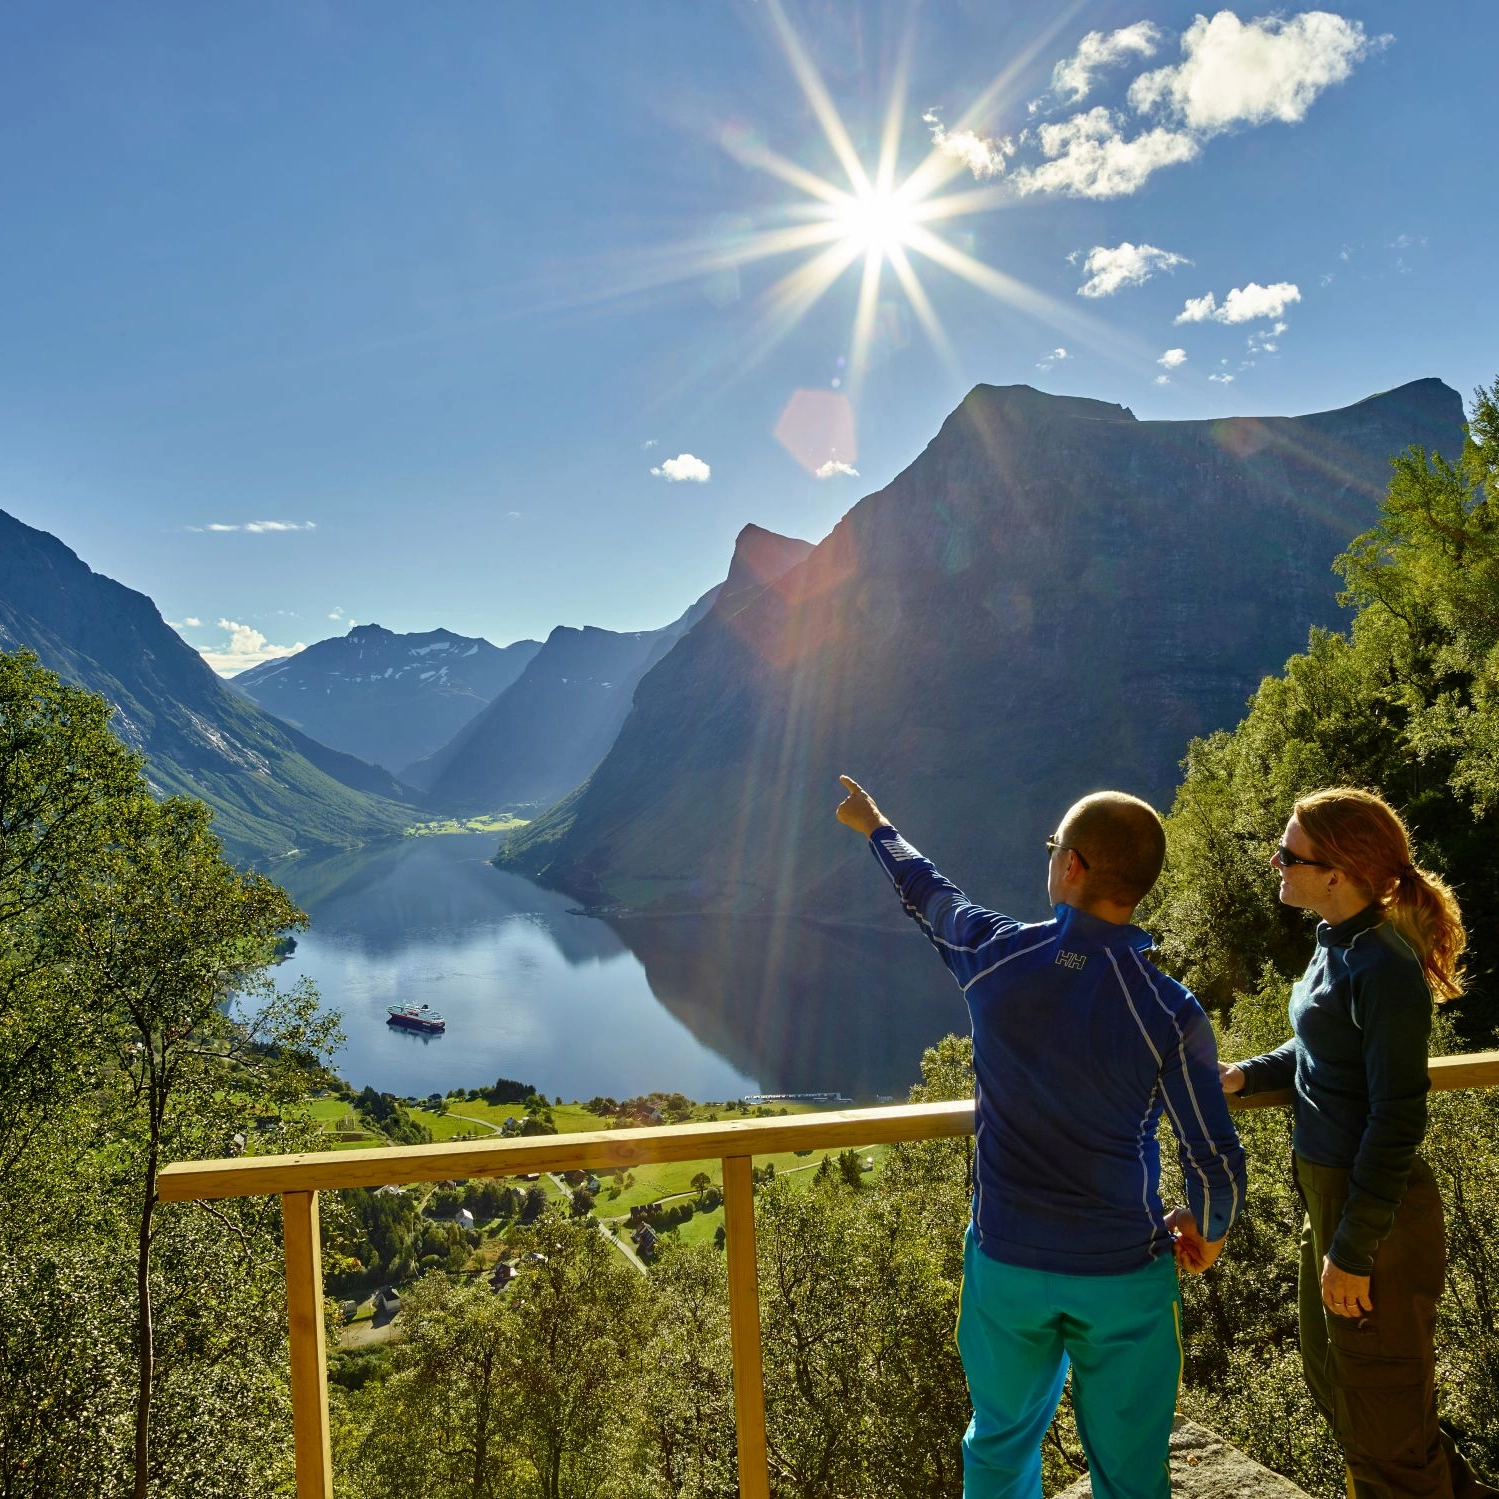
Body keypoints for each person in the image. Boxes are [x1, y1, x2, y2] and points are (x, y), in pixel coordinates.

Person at [836, 775, 1245, 1499]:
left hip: (1007, 1266)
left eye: (1054, 845)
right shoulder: (1169, 1010)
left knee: (998, 1445)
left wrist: (876, 825)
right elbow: (1211, 1155)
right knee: (1130, 1467)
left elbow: (929, 894)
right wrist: (1206, 1231)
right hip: (1122, 1271)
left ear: (1073, 867)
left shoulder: (995, 955)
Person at [1221, 787, 1496, 1499]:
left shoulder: (1382, 967)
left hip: (1372, 1216)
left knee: (1384, 1430)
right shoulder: (1335, 943)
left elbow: (1398, 1114)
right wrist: (1242, 1075)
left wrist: (1351, 1248)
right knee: (1354, 1402)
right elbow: (1318, 1045)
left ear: (1335, 872)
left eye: (1287, 854)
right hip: (1332, 1200)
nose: (1274, 863)